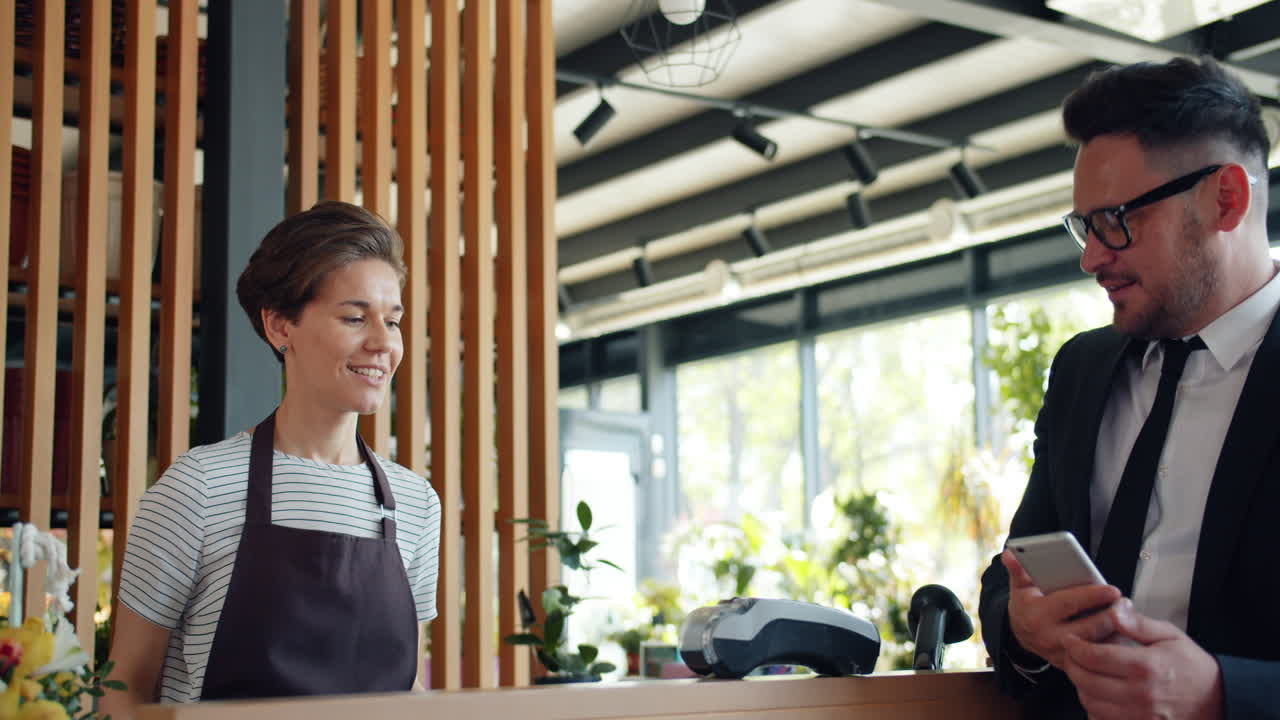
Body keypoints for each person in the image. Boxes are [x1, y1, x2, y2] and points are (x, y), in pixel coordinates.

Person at [979, 56, 1278, 720]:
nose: (1091, 256)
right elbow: (1009, 577)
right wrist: (1027, 628)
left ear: (1226, 199)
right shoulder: (1082, 369)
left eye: (1116, 219)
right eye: (1085, 225)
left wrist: (1222, 694)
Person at [101, 201, 441, 715]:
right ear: (280, 327)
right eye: (354, 317)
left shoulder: (417, 505)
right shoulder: (199, 487)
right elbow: (122, 691)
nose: (381, 343)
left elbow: (404, 688)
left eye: (392, 321)